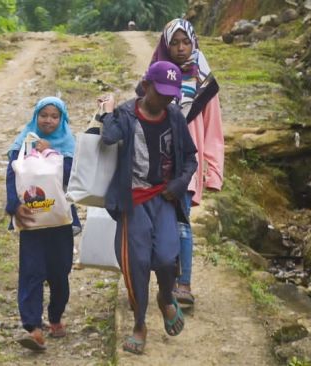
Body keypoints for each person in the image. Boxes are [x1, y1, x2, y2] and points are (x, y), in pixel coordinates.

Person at [99, 61, 198, 354]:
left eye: (171, 94)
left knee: (168, 257)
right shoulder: (128, 114)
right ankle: (139, 323)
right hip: (134, 202)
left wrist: (179, 184)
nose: (165, 99)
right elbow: (108, 137)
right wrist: (107, 112)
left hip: (165, 198)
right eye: (160, 92)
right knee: (137, 265)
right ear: (146, 86)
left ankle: (165, 298)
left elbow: (191, 158)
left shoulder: (175, 117)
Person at [144, 18, 224, 305]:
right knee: (156, 223)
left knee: (181, 221)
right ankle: (165, 282)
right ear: (166, 44)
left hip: (189, 161)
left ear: (193, 43)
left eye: (185, 42)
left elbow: (213, 127)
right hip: (156, 160)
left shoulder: (202, 79)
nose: (180, 48)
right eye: (175, 42)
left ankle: (184, 283)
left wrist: (213, 170)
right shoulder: (155, 74)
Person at [5, 97, 80, 352]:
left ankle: (56, 316)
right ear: (35, 116)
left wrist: (51, 153)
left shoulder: (68, 145)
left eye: (54, 116)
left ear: (62, 120)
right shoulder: (23, 143)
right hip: (31, 222)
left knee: (60, 272)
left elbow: (73, 178)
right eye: (43, 115)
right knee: (31, 271)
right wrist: (14, 205)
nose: (48, 120)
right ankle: (33, 328)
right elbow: (11, 176)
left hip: (59, 222)